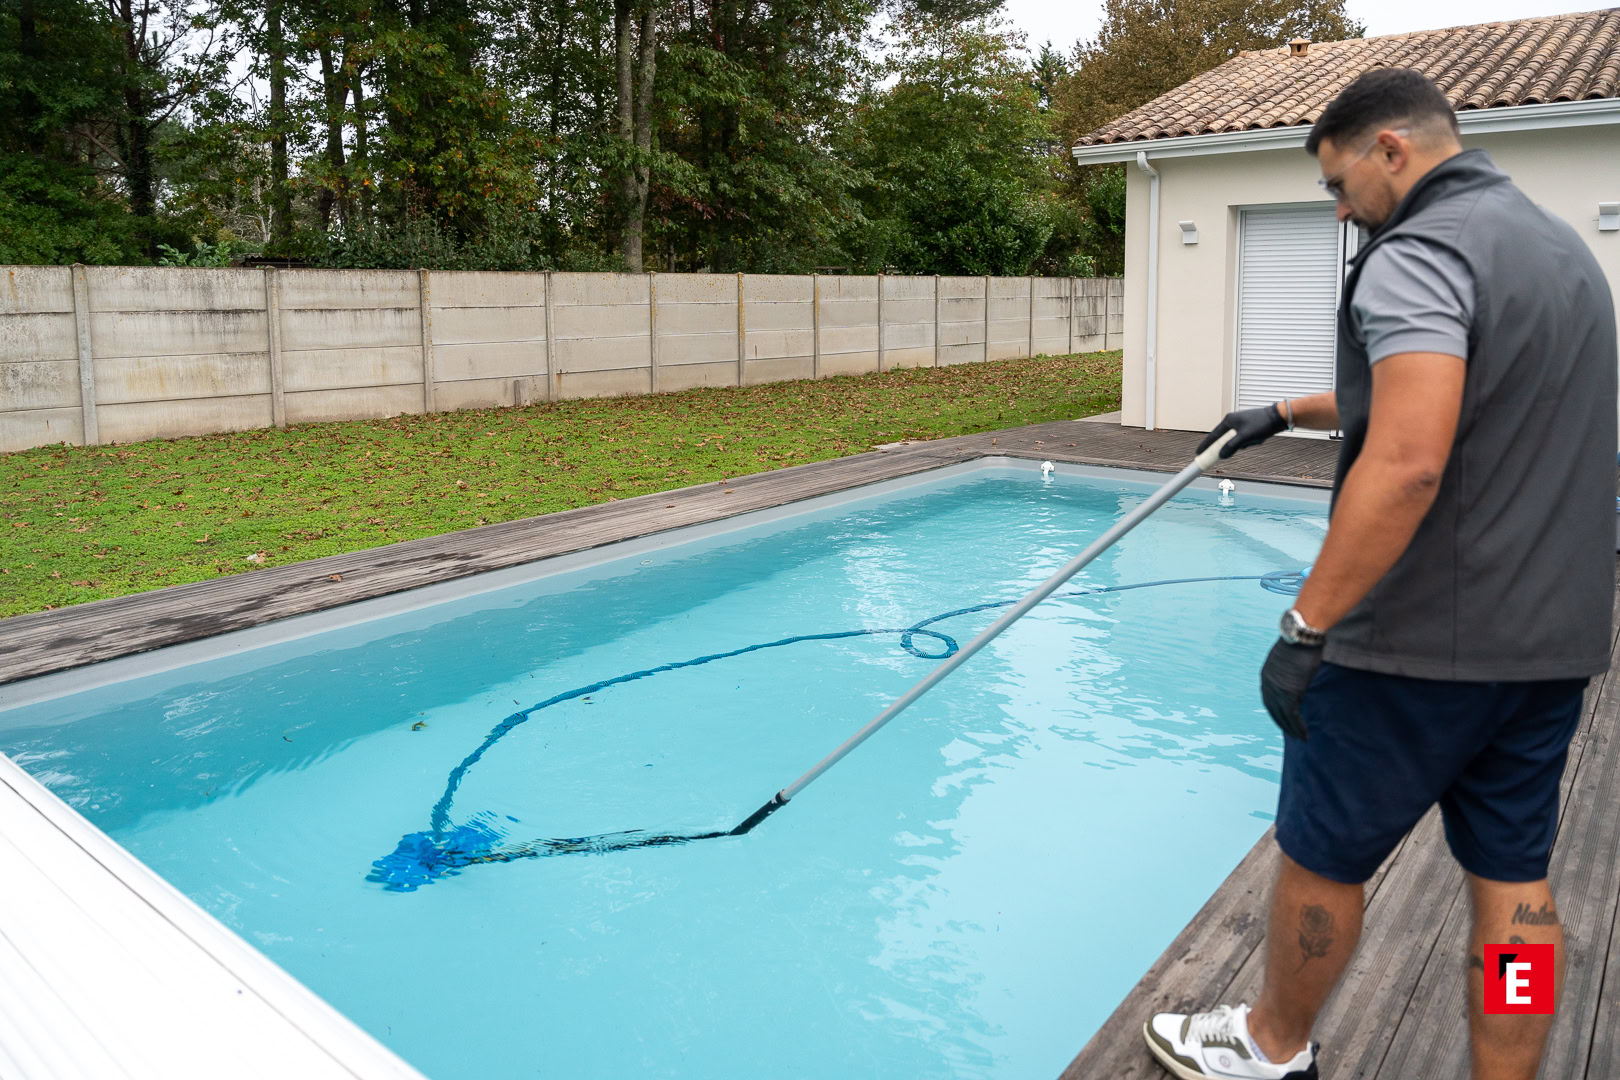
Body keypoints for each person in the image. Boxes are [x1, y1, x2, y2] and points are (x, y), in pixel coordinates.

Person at [1141, 67, 1617, 1080]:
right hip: (1546, 650)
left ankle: (1271, 1047)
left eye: (1336, 185)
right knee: (1517, 893)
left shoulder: (1419, 252)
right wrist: (1288, 409)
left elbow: (1409, 458)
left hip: (1411, 647)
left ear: (1390, 151)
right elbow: (1461, 391)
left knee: (1322, 856)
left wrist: (1307, 628)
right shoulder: (1562, 254)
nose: (1342, 211)